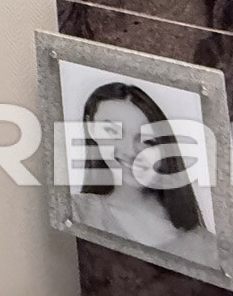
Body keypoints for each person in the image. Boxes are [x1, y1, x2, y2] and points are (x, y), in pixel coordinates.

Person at [72, 80, 218, 267]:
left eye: (147, 140)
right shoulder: (76, 211)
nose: (130, 151)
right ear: (90, 128)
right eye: (111, 131)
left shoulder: (207, 248)